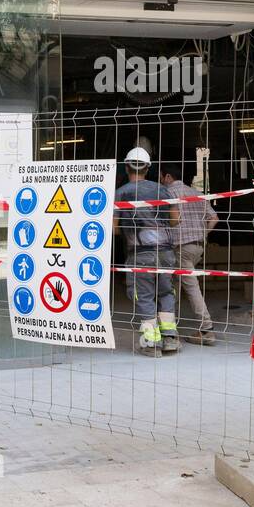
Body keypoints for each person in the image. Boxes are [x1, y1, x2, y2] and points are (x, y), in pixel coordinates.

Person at [113, 147, 181, 358]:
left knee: (143, 296)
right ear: (148, 168)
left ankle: (151, 343)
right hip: (166, 252)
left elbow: (114, 228)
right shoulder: (163, 190)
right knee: (165, 293)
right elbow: (175, 219)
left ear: (126, 168)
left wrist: (129, 226)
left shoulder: (121, 193)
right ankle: (169, 338)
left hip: (140, 254)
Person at [160, 166, 219, 345]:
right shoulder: (196, 193)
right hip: (198, 246)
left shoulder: (167, 193)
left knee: (189, 286)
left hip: (180, 248)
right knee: (175, 284)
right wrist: (203, 235)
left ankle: (206, 328)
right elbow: (214, 218)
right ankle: (168, 324)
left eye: (162, 177)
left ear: (168, 176)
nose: (161, 180)